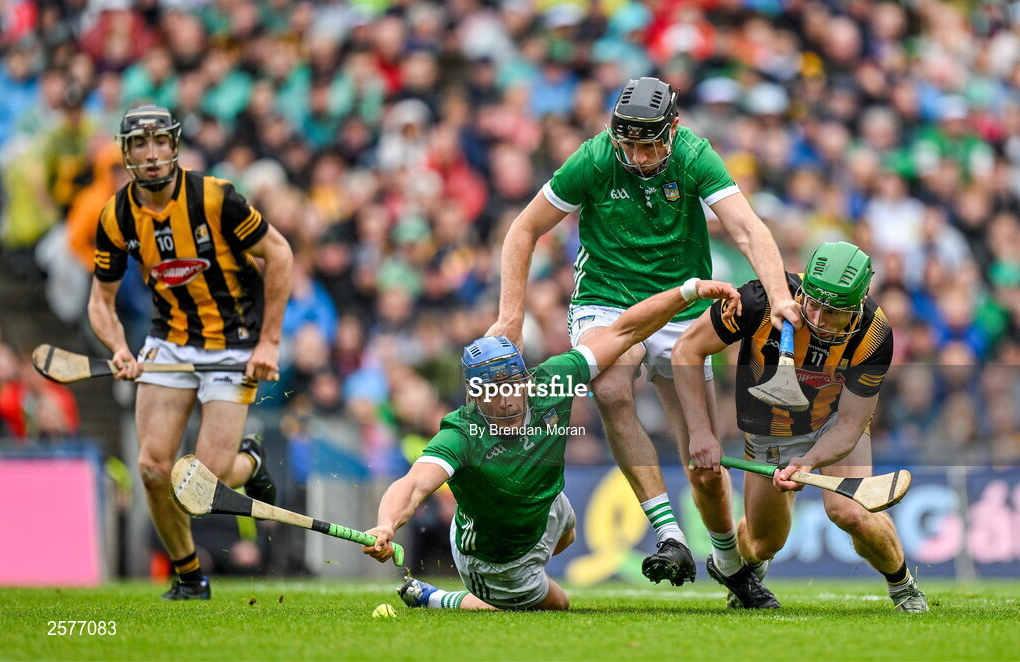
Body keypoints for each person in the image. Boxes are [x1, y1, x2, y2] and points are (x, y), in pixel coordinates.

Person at [486, 76, 800, 591]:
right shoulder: (592, 159)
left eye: (651, 143)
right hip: (606, 301)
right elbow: (524, 228)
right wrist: (511, 317)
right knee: (609, 386)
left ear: (673, 130)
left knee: (703, 461)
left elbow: (748, 228)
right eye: (629, 143)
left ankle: (726, 561)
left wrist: (780, 295)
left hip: (682, 307)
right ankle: (670, 534)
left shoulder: (696, 155)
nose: (640, 155)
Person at [363, 277, 741, 611]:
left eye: (513, 382)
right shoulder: (461, 435)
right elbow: (413, 485)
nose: (507, 398)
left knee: (570, 531)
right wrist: (385, 526)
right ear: (474, 394)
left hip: (545, 508)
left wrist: (688, 291)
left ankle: (514, 584)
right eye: (493, 390)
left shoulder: (551, 383)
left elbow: (625, 331)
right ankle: (439, 598)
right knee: (558, 603)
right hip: (492, 557)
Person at [88, 105, 294, 600]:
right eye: (140, 144)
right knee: (154, 469)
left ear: (175, 145)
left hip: (233, 341)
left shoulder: (215, 197)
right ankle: (189, 577)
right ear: (126, 152)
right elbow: (101, 299)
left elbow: (280, 253)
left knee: (202, 486)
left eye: (160, 141)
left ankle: (251, 463)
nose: (152, 153)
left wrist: (268, 341)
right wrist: (118, 346)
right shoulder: (116, 215)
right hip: (170, 341)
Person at [673, 242, 929, 612]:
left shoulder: (874, 334)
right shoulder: (759, 301)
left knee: (850, 512)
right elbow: (686, 350)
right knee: (762, 545)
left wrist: (806, 462)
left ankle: (903, 587)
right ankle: (750, 575)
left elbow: (851, 424)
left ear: (857, 306)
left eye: (834, 312)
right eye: (813, 304)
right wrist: (700, 431)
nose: (819, 319)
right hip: (769, 429)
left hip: (832, 424)